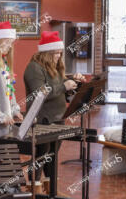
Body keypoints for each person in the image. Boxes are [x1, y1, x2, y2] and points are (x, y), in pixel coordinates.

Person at [24, 31, 86, 194]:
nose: (59, 56)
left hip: (58, 117)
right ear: (46, 53)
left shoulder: (55, 67)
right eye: (56, 53)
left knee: (52, 155)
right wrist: (64, 86)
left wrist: (74, 82)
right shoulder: (34, 67)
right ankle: (34, 188)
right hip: (42, 118)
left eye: (60, 52)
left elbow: (61, 88)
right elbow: (40, 93)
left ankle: (51, 189)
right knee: (41, 154)